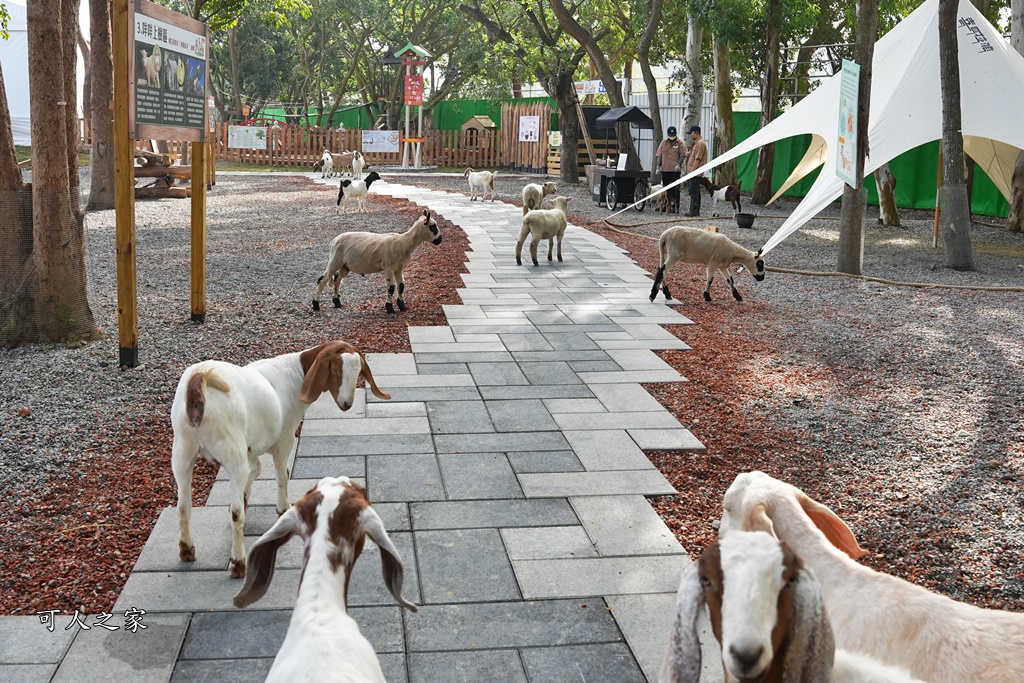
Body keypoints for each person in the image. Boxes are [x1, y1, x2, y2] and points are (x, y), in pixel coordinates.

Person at [655, 126, 685, 212]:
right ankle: (665, 205)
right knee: (665, 189)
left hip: (675, 171)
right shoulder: (663, 143)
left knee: (675, 189)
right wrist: (658, 166)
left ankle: (675, 206)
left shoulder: (679, 143)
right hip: (665, 170)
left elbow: (683, 155)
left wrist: (679, 164)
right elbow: (659, 155)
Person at [686, 125, 708, 217]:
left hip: (695, 172)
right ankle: (694, 210)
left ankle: (694, 211)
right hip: (694, 172)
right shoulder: (696, 143)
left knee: (693, 191)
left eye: (691, 133)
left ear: (696, 133)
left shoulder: (700, 144)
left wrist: (692, 171)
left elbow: (697, 159)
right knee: (695, 191)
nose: (690, 135)